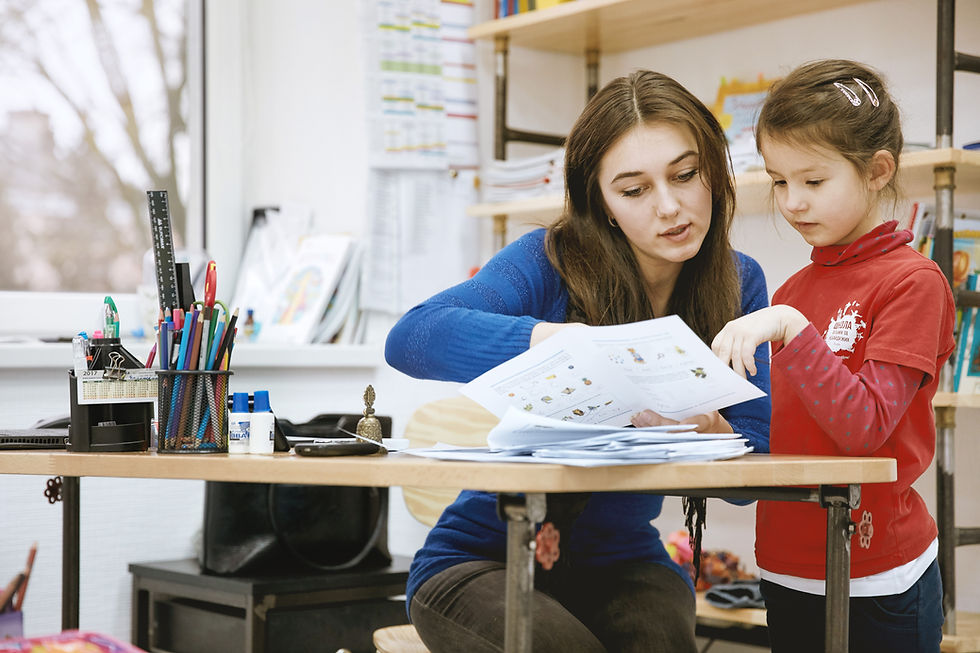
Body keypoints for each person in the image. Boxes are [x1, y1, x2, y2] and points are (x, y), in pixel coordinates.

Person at [385, 69, 771, 653]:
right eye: (634, 189)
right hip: (481, 558)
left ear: (713, 172)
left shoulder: (739, 283)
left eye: (686, 175)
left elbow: (755, 467)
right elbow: (412, 338)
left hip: (623, 562)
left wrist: (713, 431)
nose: (670, 207)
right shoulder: (548, 261)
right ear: (603, 203)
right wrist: (553, 342)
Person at [711, 59, 955, 653]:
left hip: (877, 575)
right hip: (785, 568)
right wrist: (713, 429)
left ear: (878, 171)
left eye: (813, 181)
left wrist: (794, 331)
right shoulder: (793, 292)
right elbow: (783, 433)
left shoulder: (913, 284)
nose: (792, 202)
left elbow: (864, 427)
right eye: (778, 181)